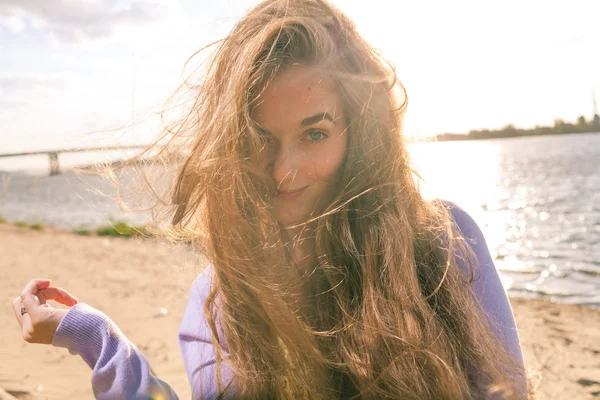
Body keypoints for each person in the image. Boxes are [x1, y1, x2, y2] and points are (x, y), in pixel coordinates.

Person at [12, 0, 529, 398]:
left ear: (358, 131)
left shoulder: (442, 245)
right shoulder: (218, 303)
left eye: (315, 134)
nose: (284, 171)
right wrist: (97, 339)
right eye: (259, 139)